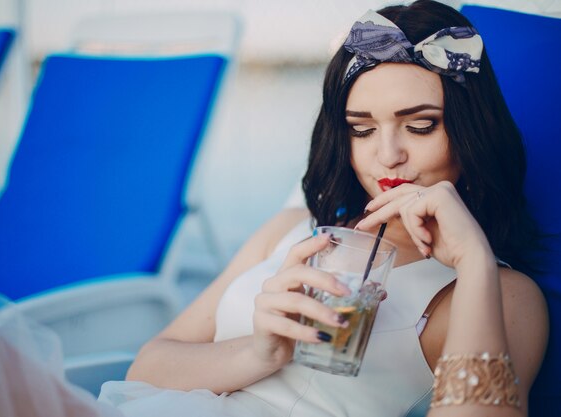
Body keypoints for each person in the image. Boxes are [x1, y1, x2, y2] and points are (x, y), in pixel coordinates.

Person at [100, 1, 548, 416]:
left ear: (472, 135)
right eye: (362, 130)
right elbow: (147, 368)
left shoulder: (497, 290)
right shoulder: (294, 229)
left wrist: (473, 261)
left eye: (419, 125)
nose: (387, 155)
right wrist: (261, 353)